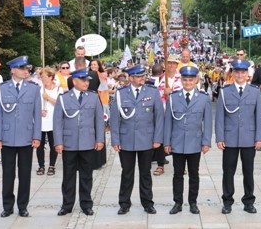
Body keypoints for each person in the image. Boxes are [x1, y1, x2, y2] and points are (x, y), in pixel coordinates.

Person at [110, 65, 164, 215]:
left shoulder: (152, 92)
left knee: (145, 173)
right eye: (139, 77)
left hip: (147, 139)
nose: (143, 78)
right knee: (127, 173)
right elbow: (115, 118)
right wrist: (115, 140)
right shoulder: (121, 93)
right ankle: (124, 203)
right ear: (131, 78)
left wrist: (157, 139)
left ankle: (147, 203)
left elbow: (159, 118)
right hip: (126, 139)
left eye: (143, 76)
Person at [0, 56, 42, 218]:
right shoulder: (2, 88)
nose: (26, 71)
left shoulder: (33, 88)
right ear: (13, 70)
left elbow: (37, 115)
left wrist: (37, 136)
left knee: (25, 173)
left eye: (27, 68)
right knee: (8, 173)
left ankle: (22, 206)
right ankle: (7, 206)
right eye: (22, 68)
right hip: (7, 137)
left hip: (27, 137)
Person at [53, 67, 105, 216]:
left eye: (87, 80)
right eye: (83, 80)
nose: (86, 83)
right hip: (69, 143)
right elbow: (57, 122)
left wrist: (100, 139)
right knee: (68, 175)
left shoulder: (93, 97)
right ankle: (67, 205)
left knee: (86, 175)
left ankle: (86, 204)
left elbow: (99, 120)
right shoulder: (63, 98)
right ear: (74, 81)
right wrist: (58, 142)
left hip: (88, 142)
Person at [215, 59, 261, 214]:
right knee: (228, 171)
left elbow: (259, 117)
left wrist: (259, 137)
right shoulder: (225, 91)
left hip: (249, 138)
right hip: (230, 138)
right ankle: (227, 201)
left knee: (248, 171)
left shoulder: (255, 91)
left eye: (243, 72)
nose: (240, 74)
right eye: (237, 72)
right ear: (233, 73)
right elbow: (220, 117)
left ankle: (249, 201)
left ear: (247, 74)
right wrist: (220, 137)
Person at [164, 66, 212, 215]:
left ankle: (193, 202)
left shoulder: (203, 98)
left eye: (191, 80)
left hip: (194, 143)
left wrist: (206, 142)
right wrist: (167, 142)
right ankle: (177, 202)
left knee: (194, 174)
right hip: (177, 143)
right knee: (177, 175)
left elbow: (208, 122)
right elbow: (168, 122)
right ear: (181, 80)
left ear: (196, 80)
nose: (188, 82)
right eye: (185, 80)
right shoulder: (173, 97)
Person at [36, 67, 62, 176]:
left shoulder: (58, 89)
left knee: (53, 144)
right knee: (40, 145)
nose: (42, 79)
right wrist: (39, 110)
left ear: (51, 77)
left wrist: (48, 98)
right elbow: (35, 105)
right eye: (41, 77)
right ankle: (41, 165)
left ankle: (52, 165)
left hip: (53, 120)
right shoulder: (39, 89)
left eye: (45, 77)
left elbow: (60, 104)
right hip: (42, 120)